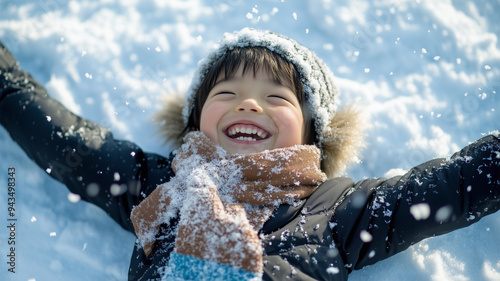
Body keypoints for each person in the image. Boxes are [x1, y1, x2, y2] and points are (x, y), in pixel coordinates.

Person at [0, 28, 499, 281]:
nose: (249, 103)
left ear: (312, 136)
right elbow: (68, 143)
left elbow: (452, 184)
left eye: (277, 97)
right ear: (195, 122)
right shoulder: (159, 186)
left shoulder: (336, 208)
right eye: (225, 93)